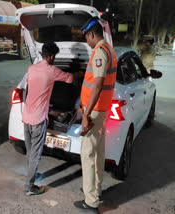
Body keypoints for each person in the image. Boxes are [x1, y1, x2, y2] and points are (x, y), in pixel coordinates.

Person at [73, 17, 117, 213]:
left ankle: (91, 202)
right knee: (98, 152)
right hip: (102, 109)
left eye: (86, 38)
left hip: (95, 111)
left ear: (91, 34)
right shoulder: (110, 50)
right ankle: (96, 190)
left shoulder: (100, 52)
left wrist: (86, 114)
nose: (87, 42)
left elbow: (97, 85)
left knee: (88, 155)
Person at [22, 42, 73, 196]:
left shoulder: (31, 69)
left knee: (30, 152)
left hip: (26, 117)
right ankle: (29, 187)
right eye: (54, 57)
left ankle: (30, 175)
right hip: (38, 119)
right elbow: (69, 79)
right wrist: (76, 74)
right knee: (36, 154)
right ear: (50, 56)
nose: (54, 59)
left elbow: (30, 90)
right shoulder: (52, 70)